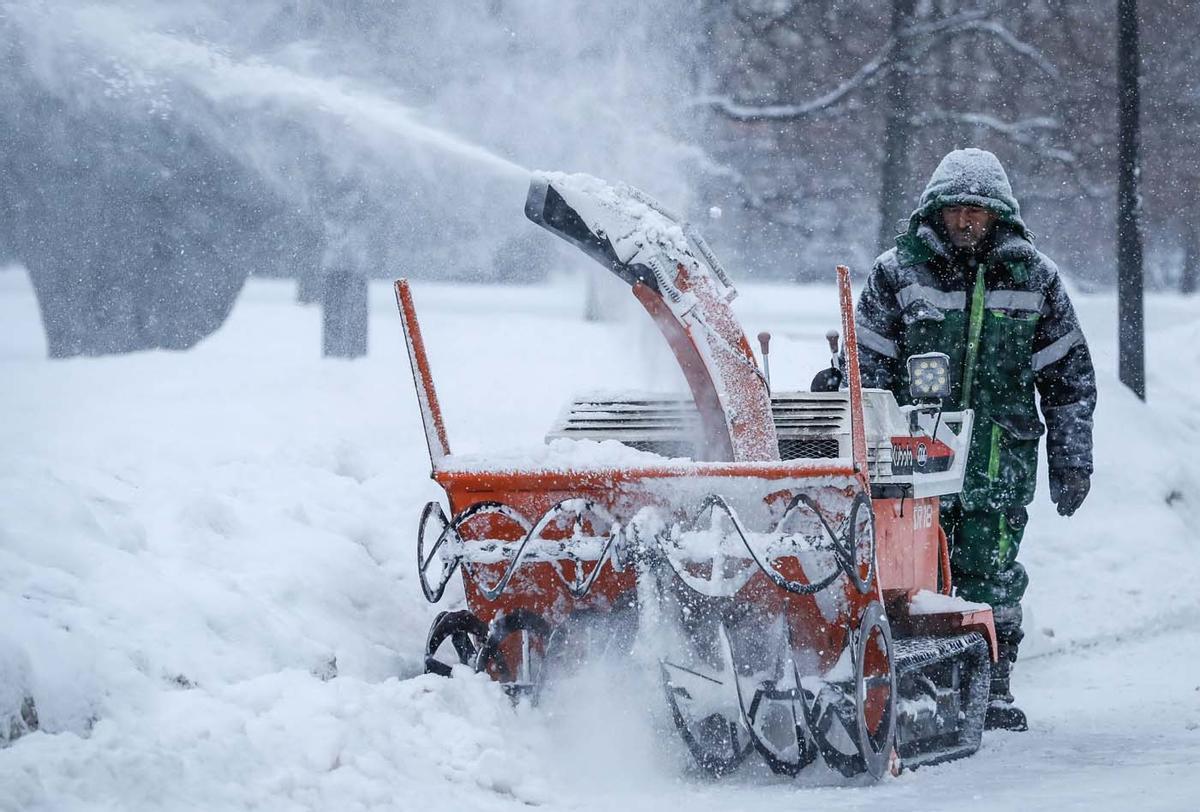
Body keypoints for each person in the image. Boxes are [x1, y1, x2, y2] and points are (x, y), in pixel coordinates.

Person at [855, 148, 1096, 732]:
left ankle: (992, 682)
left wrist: (1072, 458)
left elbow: (1068, 379)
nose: (966, 221)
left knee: (989, 568)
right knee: (913, 573)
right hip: (912, 455)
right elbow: (867, 367)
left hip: (998, 457)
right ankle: (921, 681)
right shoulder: (896, 273)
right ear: (935, 212)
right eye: (956, 210)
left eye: (978, 212)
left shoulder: (1035, 279)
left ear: (1000, 216)